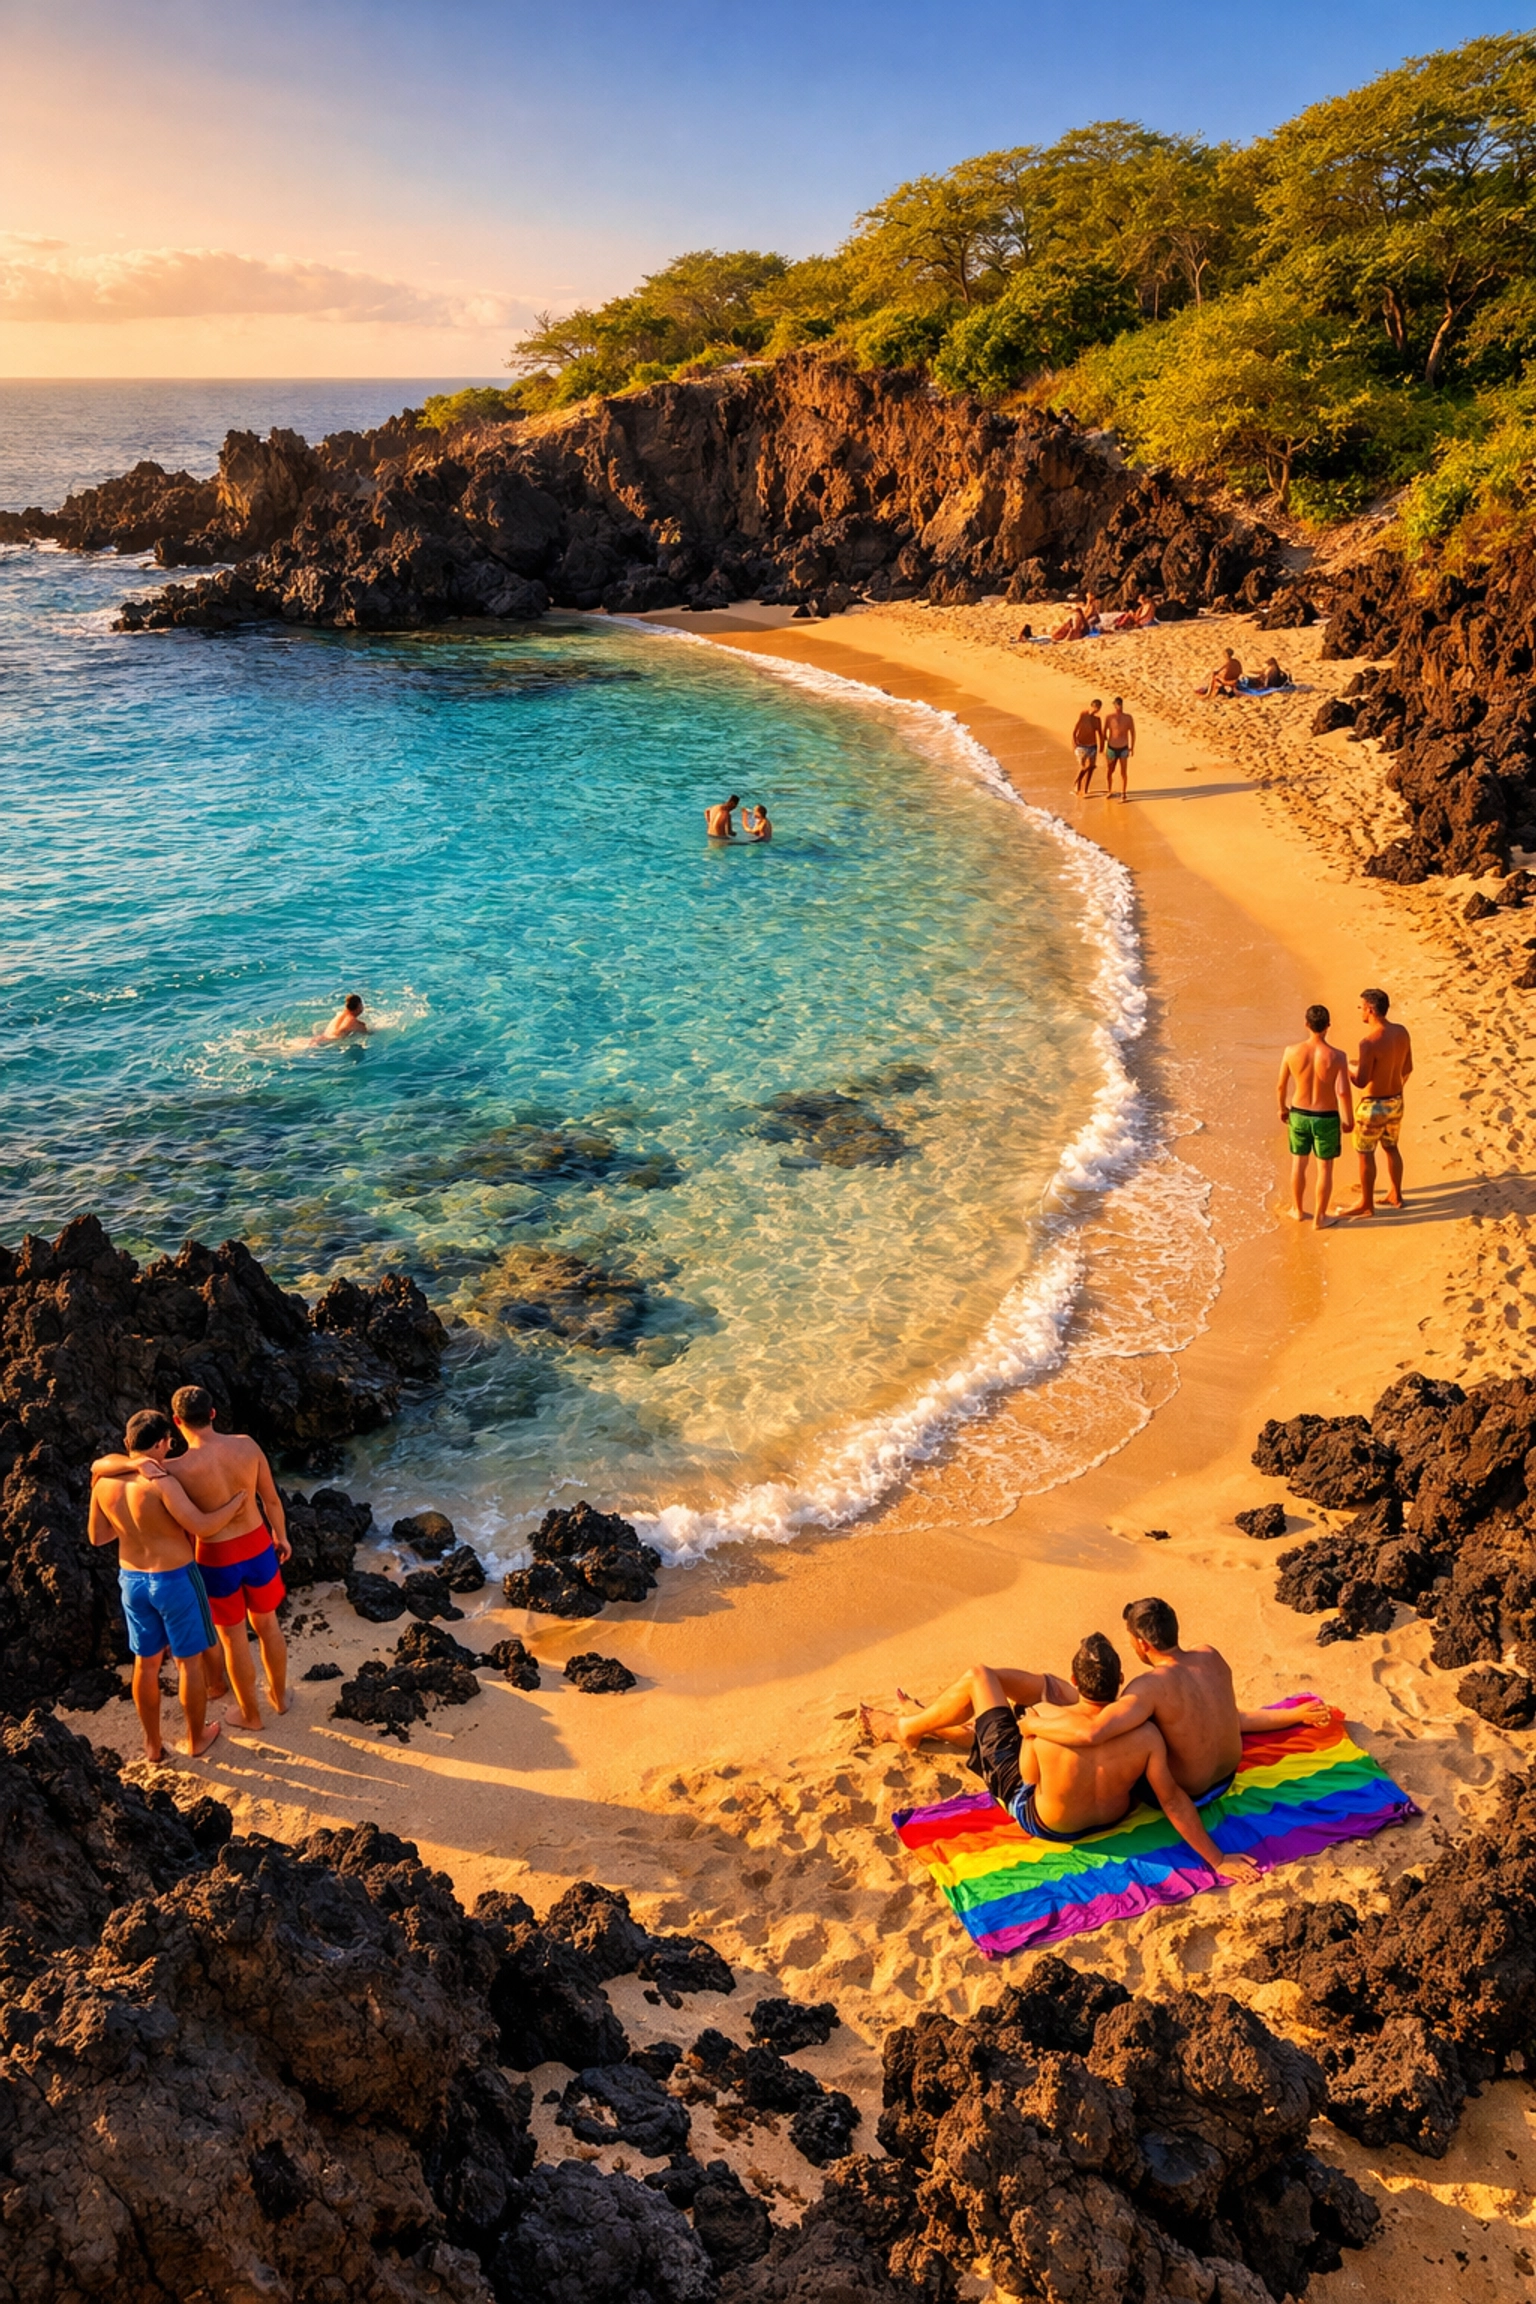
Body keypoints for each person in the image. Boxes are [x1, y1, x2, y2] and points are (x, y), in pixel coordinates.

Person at [863, 1635, 1257, 1880]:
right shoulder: (1146, 1733)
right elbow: (1171, 1800)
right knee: (1037, 1694)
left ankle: (908, 1728)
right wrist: (1217, 1858)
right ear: (1121, 1683)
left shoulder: (1042, 1727)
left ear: (1075, 1680)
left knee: (980, 1676)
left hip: (1046, 1823)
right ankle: (945, 1729)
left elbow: (1027, 1778)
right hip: (1113, 1813)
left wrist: (1032, 1727)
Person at [94, 1384, 293, 1730]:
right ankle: (279, 1697)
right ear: (213, 1413)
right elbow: (271, 1500)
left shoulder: (172, 1469)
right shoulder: (247, 1445)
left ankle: (251, 1715)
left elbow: (110, 1467)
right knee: (268, 1625)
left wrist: (134, 1463)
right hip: (259, 1547)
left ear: (176, 1421)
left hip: (216, 1557)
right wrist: (281, 1536)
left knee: (232, 1639)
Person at [1017, 1597, 1330, 1798]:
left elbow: (1093, 1732)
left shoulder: (1148, 1687)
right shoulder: (1210, 1656)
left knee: (1119, 1731)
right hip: (1228, 1775)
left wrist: (1031, 1725)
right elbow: (1230, 1718)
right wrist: (1294, 1715)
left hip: (1190, 1791)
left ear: (1141, 1644)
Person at [88, 1410, 253, 1761]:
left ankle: (152, 1745)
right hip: (175, 1578)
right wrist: (235, 1504)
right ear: (162, 1443)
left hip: (132, 1580)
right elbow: (203, 1526)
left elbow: (98, 1536)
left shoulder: (103, 1484)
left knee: (145, 1664)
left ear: (127, 1444)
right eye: (168, 1444)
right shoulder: (162, 1482)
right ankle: (196, 1739)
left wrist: (135, 1527)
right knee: (187, 1663)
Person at [1278, 1002, 1354, 1228]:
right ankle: (1320, 1217)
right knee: (1324, 1168)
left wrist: (1282, 1108)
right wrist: (1347, 1119)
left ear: (1306, 1024)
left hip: (1299, 1114)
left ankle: (1298, 1210)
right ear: (1328, 1026)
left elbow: (1281, 1085)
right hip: (1326, 1117)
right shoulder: (1338, 1056)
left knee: (1298, 1164)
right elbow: (1342, 1091)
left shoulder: (1291, 1052)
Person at [1344, 987, 1413, 1218]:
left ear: (1371, 1009)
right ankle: (1396, 1193)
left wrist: (1348, 1068)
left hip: (1372, 1106)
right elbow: (1407, 1068)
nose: (1360, 1011)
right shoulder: (1401, 1032)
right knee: (1391, 1148)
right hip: (1396, 1101)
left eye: (1361, 1007)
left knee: (1365, 1153)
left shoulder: (1368, 1042)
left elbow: (1361, 1080)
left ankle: (1366, 1203)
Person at [1102, 697, 1136, 798]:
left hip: (1123, 747)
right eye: (1117, 705)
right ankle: (1109, 790)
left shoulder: (1128, 718)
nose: (1118, 707)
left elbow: (1133, 733)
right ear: (1114, 705)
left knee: (1123, 772)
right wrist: (1103, 746)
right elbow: (1104, 732)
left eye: (1120, 704)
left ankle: (1123, 793)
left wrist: (1132, 747)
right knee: (1110, 771)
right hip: (1112, 747)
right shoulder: (1109, 717)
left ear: (1122, 705)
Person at [1071, 700, 1104, 795]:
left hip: (1093, 746)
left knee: (1091, 767)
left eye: (1098, 708)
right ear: (1092, 706)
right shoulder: (1083, 715)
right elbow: (1075, 729)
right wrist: (1074, 743)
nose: (1097, 709)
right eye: (1096, 707)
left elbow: (1100, 733)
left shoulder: (1097, 720)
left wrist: (1101, 746)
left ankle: (1085, 788)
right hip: (1081, 745)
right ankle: (1077, 783)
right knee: (1083, 767)